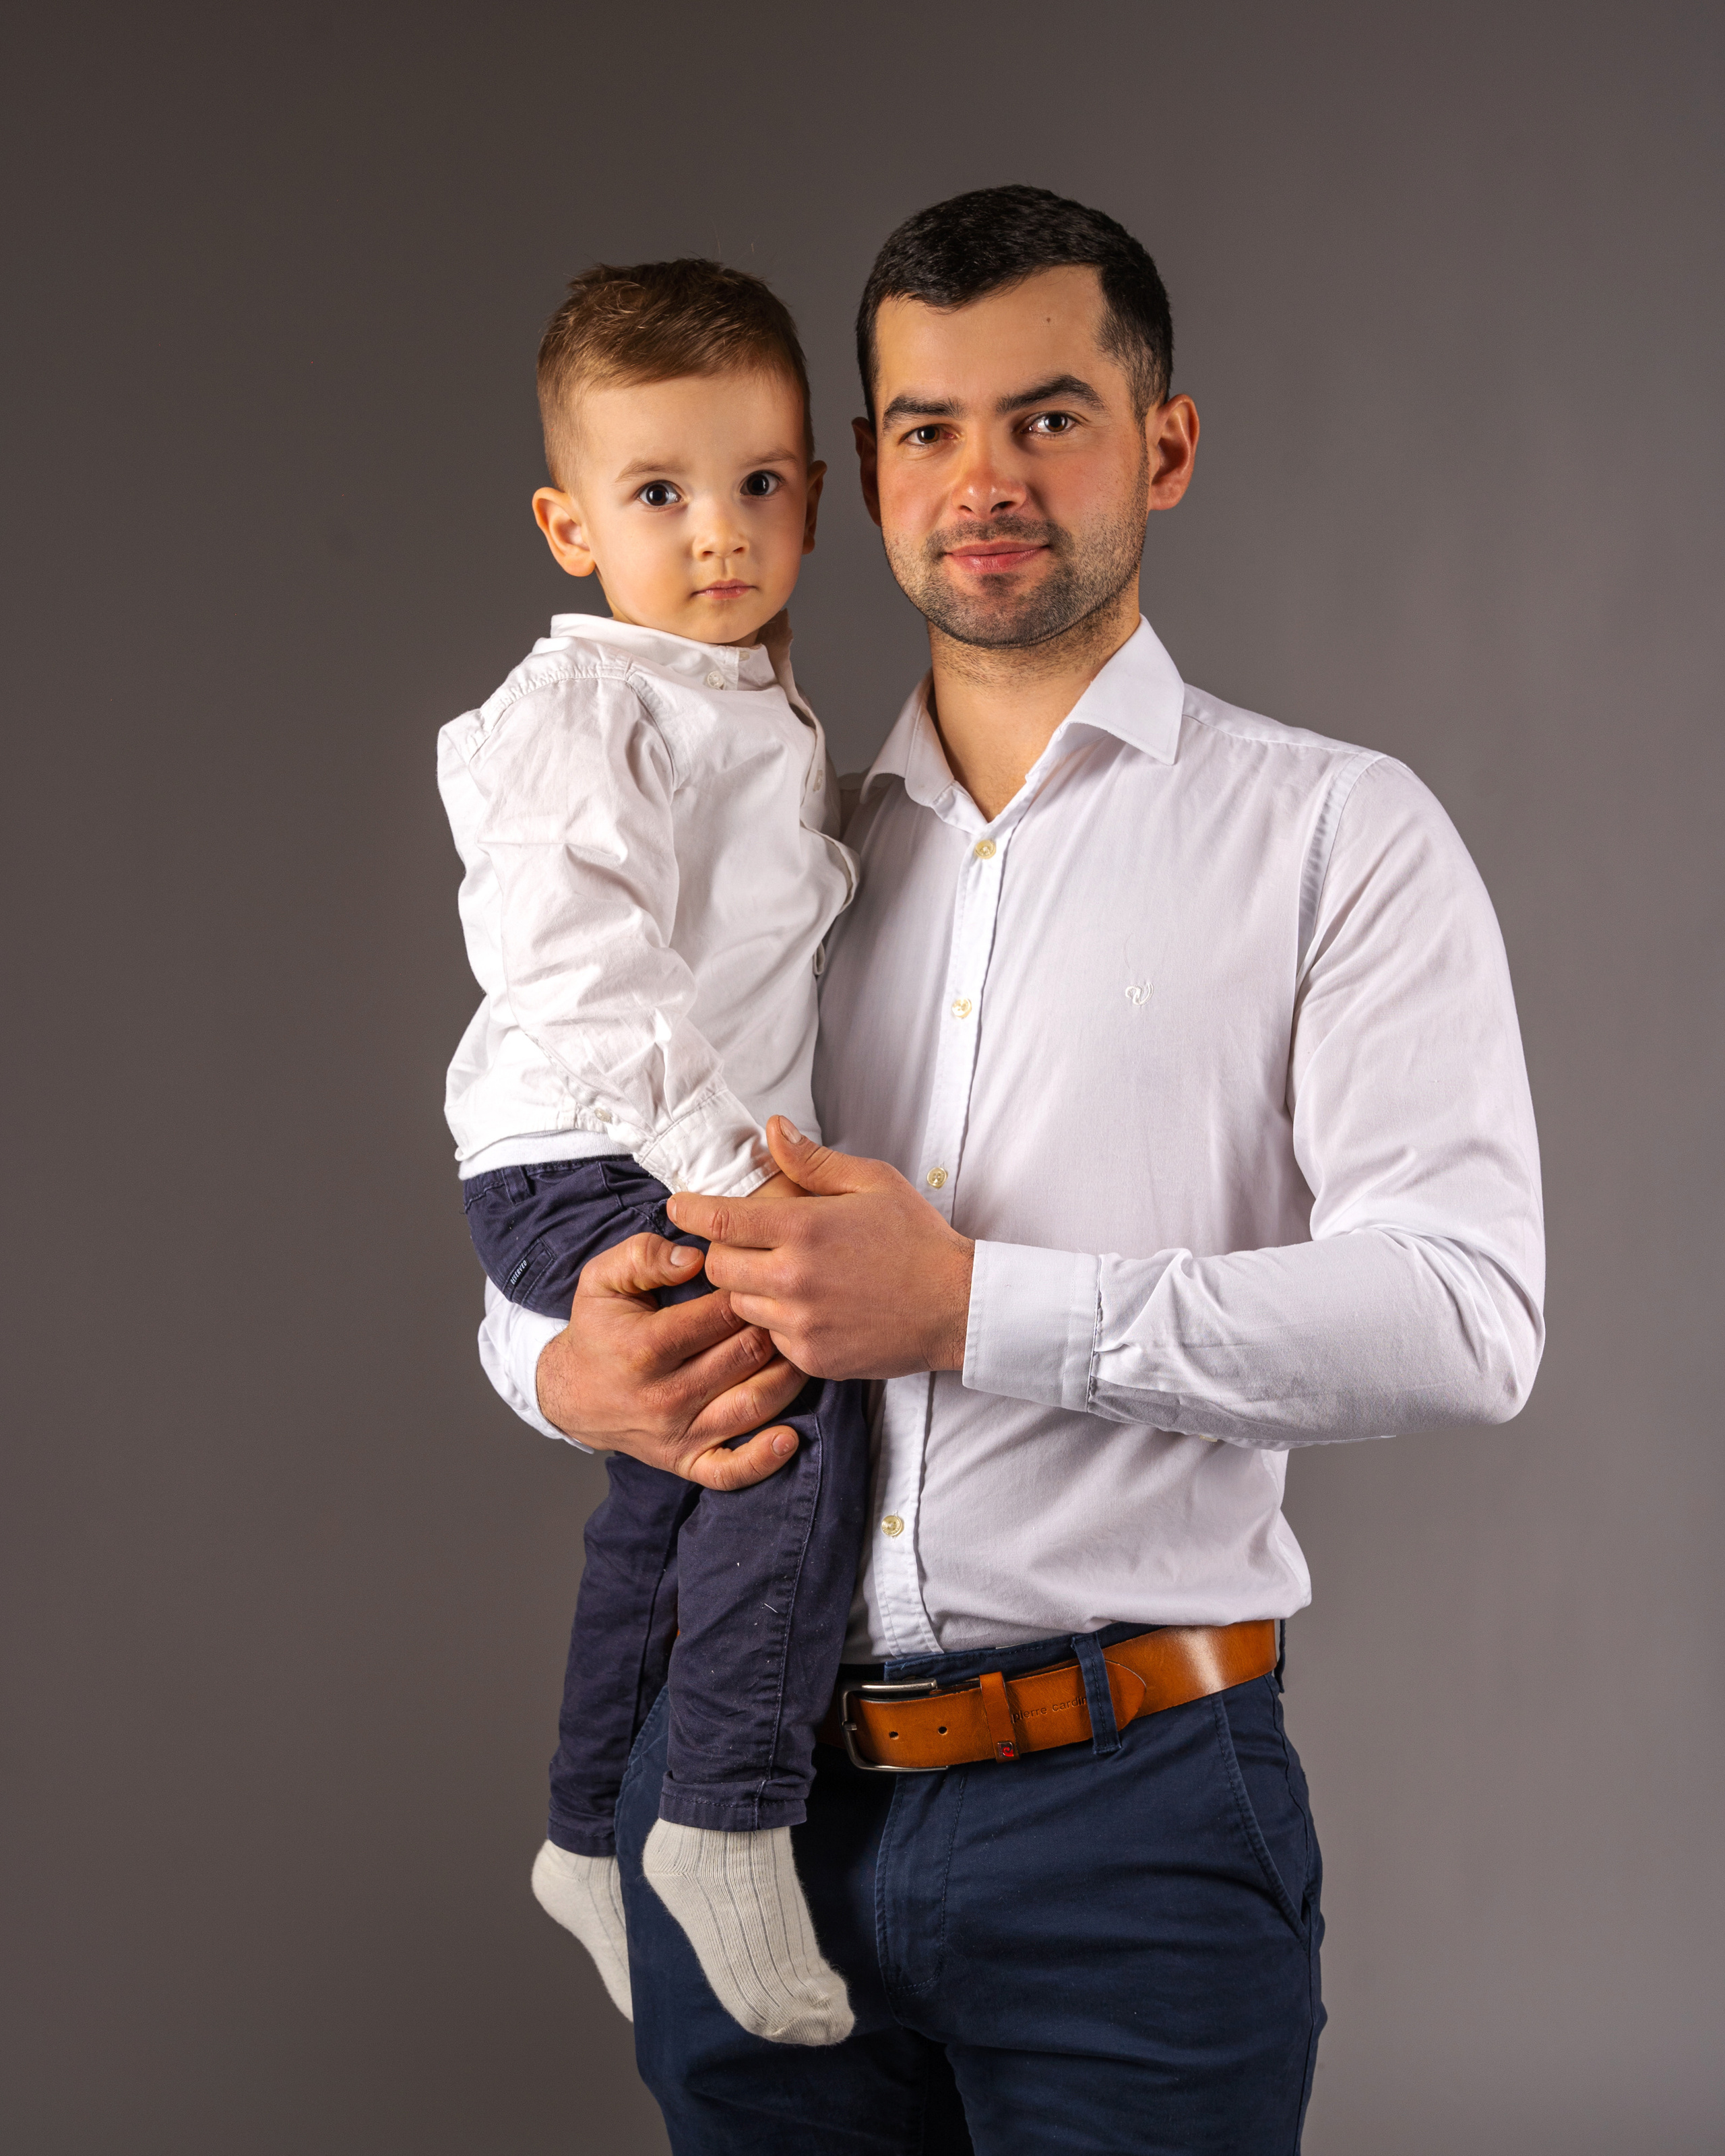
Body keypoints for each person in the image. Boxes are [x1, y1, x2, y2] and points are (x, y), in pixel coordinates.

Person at [481, 187, 1545, 2154]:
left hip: (1128, 1817)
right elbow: (580, 1159)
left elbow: (1466, 1316)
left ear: (1165, 444)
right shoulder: (759, 835)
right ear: (862, 471)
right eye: (924, 427)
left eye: (1047, 418)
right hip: (734, 1797)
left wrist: (972, 1308)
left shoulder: (1337, 839)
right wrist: (549, 1366)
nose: (981, 479)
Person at [440, 258, 871, 2049]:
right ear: (567, 524)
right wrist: (732, 1171)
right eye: (660, 494)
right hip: (598, 1144)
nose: (719, 535)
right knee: (788, 1404)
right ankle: (723, 1815)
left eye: (759, 484)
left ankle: (583, 1837)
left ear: (816, 500)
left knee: (672, 1482)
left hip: (629, 1143)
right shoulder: (588, 708)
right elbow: (568, 958)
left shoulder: (750, 711)